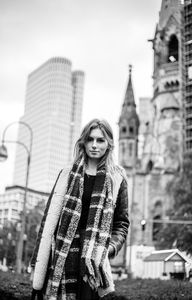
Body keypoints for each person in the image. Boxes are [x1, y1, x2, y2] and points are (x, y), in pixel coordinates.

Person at [30, 118, 129, 300]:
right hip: (63, 251)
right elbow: (48, 220)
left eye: (100, 140)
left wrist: (109, 249)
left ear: (109, 144)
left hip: (94, 259)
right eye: (90, 139)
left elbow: (121, 223)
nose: (94, 145)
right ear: (83, 141)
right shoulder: (66, 173)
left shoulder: (117, 177)